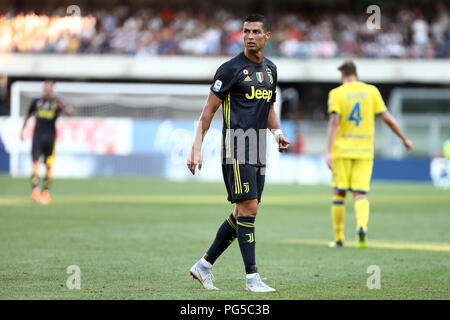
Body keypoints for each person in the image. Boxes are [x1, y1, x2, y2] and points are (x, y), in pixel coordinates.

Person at [187, 14, 290, 292]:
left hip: (259, 147)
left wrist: (278, 133)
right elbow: (207, 112)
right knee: (250, 208)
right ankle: (252, 278)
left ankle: (204, 265)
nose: (250, 36)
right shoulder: (230, 69)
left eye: (256, 31)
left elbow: (268, 107)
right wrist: (196, 147)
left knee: (241, 212)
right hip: (236, 146)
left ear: (267, 36)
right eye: (246, 31)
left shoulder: (271, 70)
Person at [325, 61, 414, 248]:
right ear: (356, 74)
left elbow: (334, 123)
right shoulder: (372, 91)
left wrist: (328, 151)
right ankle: (362, 227)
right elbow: (387, 118)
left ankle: (339, 237)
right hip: (365, 151)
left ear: (342, 76)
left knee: (339, 193)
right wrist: (404, 139)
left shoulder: (336, 94)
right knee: (360, 193)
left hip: (342, 150)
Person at [20, 80, 74, 204]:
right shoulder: (36, 101)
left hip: (51, 138)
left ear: (52, 89)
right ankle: (35, 190)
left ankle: (46, 192)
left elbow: (69, 113)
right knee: (35, 164)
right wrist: (22, 130)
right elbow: (28, 115)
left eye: (49, 87)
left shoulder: (57, 102)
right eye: (46, 87)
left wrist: (64, 109)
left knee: (49, 166)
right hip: (37, 137)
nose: (47, 89)